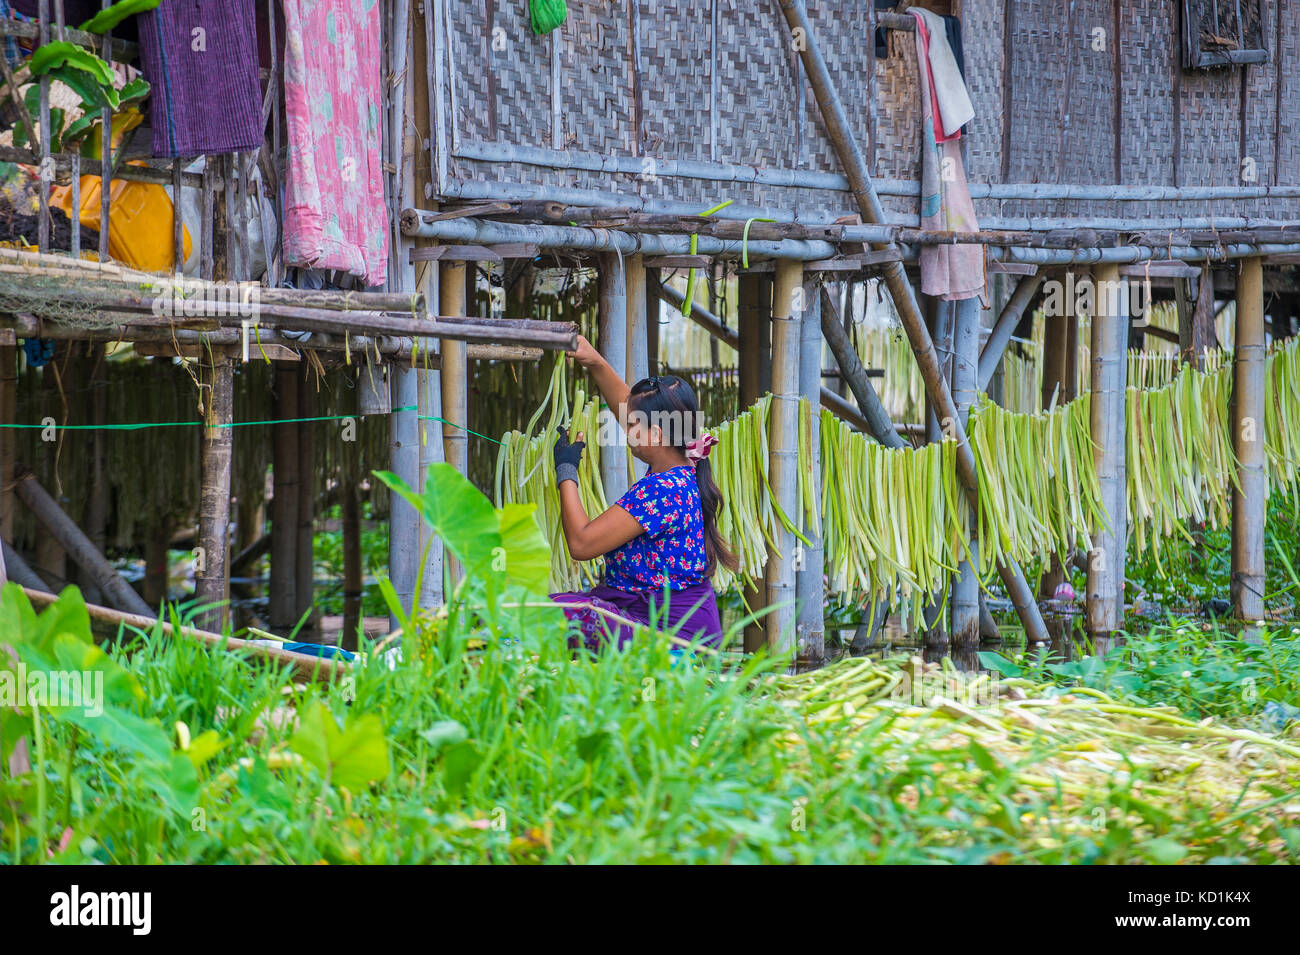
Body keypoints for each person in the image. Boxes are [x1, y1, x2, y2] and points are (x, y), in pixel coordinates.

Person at [550, 335, 738, 653]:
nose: (626, 429)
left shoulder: (661, 492)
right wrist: (594, 361)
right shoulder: (682, 463)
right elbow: (632, 407)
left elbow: (581, 544)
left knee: (539, 616)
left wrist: (566, 471)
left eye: (633, 425)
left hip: (670, 640)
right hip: (684, 629)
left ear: (657, 433)